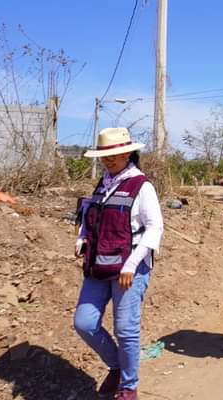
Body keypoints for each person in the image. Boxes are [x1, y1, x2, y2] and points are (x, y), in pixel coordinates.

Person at [73, 127, 164, 400]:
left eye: (114, 155)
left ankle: (128, 385)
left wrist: (131, 265)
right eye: (104, 155)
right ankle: (116, 365)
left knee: (125, 330)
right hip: (98, 266)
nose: (108, 160)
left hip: (129, 269)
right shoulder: (103, 183)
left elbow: (155, 228)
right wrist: (82, 238)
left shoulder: (141, 185)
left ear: (127, 153)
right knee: (84, 323)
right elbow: (89, 216)